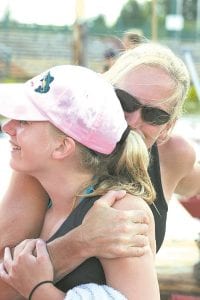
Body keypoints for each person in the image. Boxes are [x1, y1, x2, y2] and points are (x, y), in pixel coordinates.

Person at [0, 41, 199, 292]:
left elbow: (194, 182)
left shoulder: (174, 155)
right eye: (124, 101)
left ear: (167, 128)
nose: (133, 121)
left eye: (154, 116)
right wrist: (81, 241)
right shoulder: (46, 161)